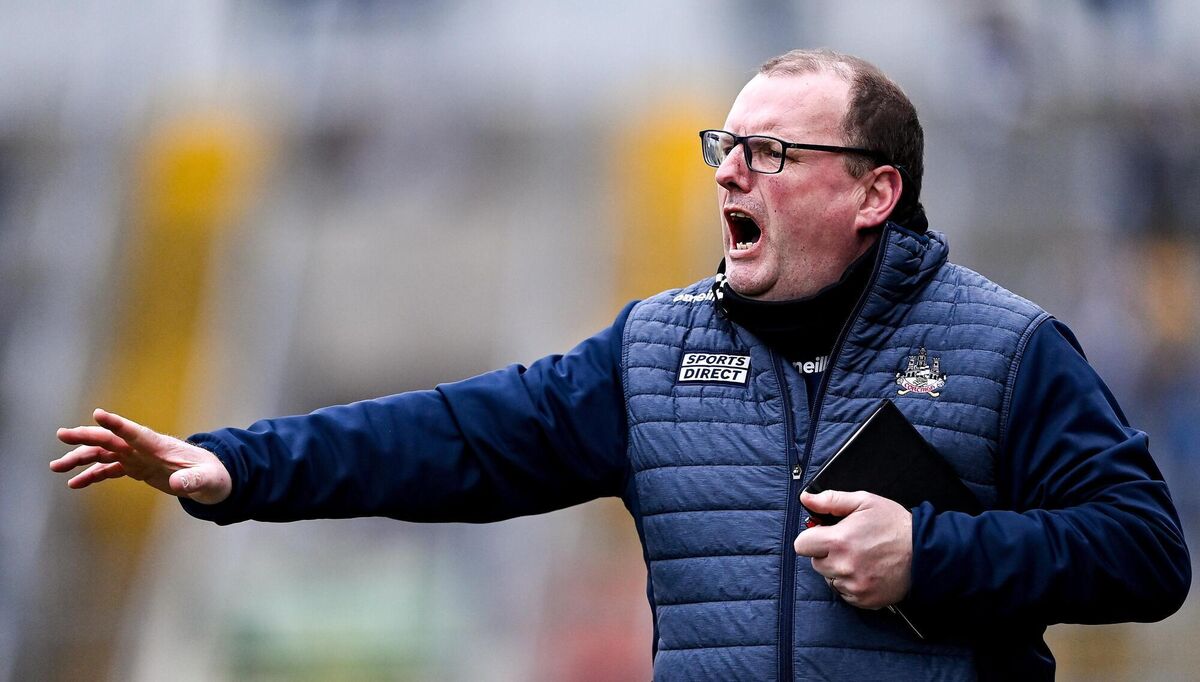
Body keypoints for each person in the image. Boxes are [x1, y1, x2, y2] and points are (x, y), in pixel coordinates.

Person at [52, 49, 1190, 680]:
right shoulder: (654, 349)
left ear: (874, 191)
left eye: (772, 152)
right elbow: (455, 438)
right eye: (724, 147)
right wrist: (235, 467)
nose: (731, 173)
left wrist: (933, 553)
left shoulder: (1008, 344)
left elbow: (1144, 554)